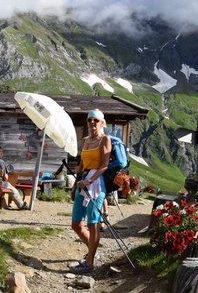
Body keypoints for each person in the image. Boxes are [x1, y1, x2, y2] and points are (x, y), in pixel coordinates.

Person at [70, 109, 111, 274]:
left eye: (95, 120)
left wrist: (90, 180)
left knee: (93, 224)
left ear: (102, 123)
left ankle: (89, 263)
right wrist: (75, 182)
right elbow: (82, 164)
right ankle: (92, 251)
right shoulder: (86, 141)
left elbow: (104, 165)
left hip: (96, 185)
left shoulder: (105, 139)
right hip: (83, 183)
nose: (92, 123)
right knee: (76, 224)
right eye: (90, 120)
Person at [0, 145, 29, 210]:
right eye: (0, 152)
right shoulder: (1, 162)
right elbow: (6, 177)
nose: (2, 154)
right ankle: (21, 205)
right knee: (14, 190)